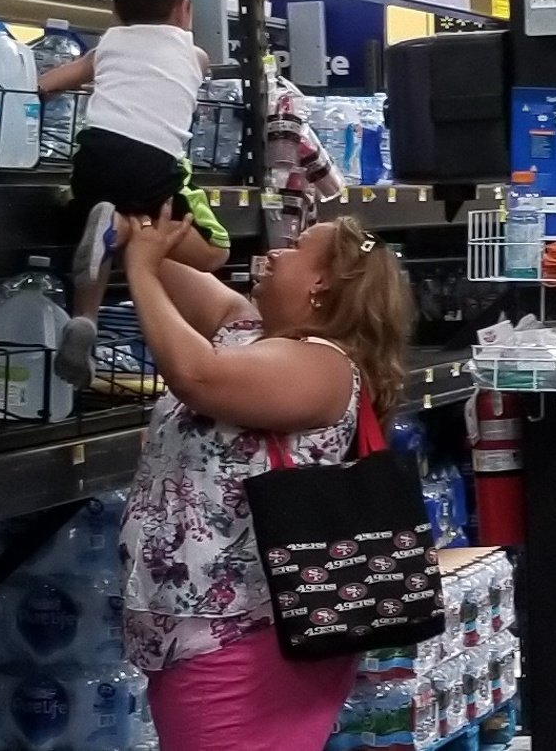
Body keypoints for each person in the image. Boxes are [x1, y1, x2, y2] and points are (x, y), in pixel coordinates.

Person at [118, 206, 414, 751]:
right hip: (201, 632)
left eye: (297, 247)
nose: (276, 251)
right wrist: (142, 234)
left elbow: (195, 375)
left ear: (323, 282)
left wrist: (139, 267)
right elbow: (162, 262)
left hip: (245, 641)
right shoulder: (247, 330)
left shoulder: (322, 366)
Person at [38, 0, 230, 389]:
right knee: (216, 250)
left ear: (115, 7)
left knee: (101, 230)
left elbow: (46, 85)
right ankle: (124, 229)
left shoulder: (108, 44)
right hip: (152, 165)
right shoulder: (196, 56)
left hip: (93, 158)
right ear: (185, 8)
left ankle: (85, 319)